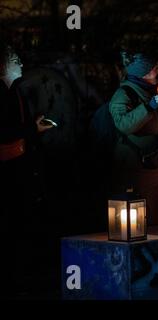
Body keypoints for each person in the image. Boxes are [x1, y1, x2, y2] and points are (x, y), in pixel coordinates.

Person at [0, 43, 54, 296]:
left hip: (21, 167)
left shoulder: (16, 93)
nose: (20, 64)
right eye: (15, 60)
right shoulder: (4, 94)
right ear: (3, 66)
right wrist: (32, 129)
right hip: (8, 171)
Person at [109, 52, 158, 225]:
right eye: (153, 69)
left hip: (155, 166)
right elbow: (124, 124)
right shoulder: (123, 94)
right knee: (142, 220)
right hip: (137, 169)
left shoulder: (148, 91)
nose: (157, 71)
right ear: (143, 73)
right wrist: (149, 107)